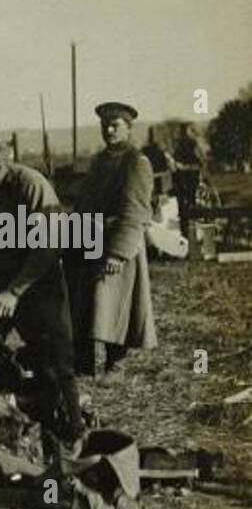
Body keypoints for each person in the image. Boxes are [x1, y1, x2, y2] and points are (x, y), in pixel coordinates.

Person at [0, 138, 85, 449]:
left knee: (57, 359)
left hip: (38, 281)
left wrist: (15, 291)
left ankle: (73, 430)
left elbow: (48, 245)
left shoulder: (30, 185)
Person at [65, 101, 158, 378]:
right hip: (90, 239)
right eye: (105, 125)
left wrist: (118, 253)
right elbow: (85, 201)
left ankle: (116, 363)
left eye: (115, 125)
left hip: (118, 243)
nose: (109, 130)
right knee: (85, 303)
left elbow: (135, 210)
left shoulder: (137, 163)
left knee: (116, 304)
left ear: (129, 129)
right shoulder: (99, 161)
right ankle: (83, 366)